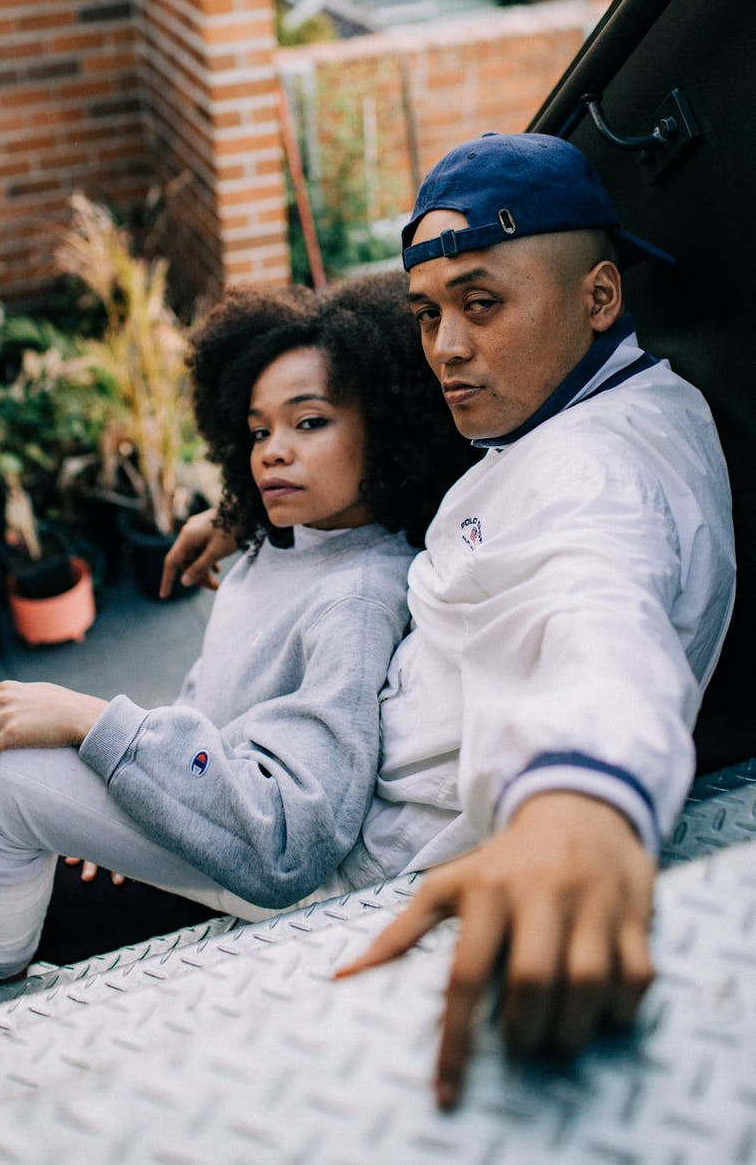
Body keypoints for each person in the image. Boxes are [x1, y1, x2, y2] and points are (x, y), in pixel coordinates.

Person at [165, 133, 737, 1109]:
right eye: (429, 314)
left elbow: (600, 623)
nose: (447, 349)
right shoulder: (586, 406)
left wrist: (583, 806)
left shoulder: (595, 477)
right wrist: (248, 517)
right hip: (325, 774)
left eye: (482, 304)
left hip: (345, 881)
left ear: (600, 296)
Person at [0, 276, 470, 1001]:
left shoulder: (356, 597)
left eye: (308, 422)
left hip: (256, 862)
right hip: (202, 800)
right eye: (258, 431)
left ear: (386, 422)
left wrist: (98, 728)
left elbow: (292, 836)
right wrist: (132, 795)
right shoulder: (274, 541)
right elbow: (212, 710)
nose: (272, 453)